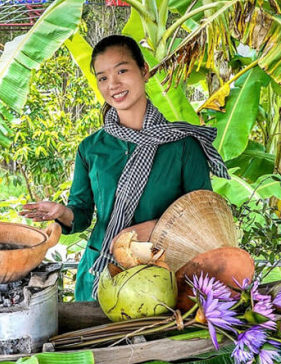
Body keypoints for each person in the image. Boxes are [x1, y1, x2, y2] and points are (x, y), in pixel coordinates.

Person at [20, 35, 230, 301]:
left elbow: (202, 220)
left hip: (162, 279)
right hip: (100, 272)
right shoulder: (91, 148)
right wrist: (62, 211)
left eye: (122, 71)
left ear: (143, 70)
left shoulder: (184, 146)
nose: (113, 84)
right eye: (103, 77)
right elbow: (82, 214)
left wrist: (156, 228)